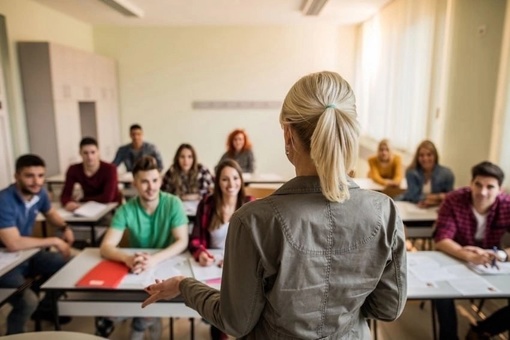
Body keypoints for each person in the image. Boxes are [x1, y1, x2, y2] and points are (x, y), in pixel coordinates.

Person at [142, 71, 407, 339]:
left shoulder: (253, 220)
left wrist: (185, 286)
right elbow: (387, 308)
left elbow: (235, 322)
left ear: (288, 135)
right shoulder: (385, 212)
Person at [98, 156, 189, 339]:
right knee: (113, 304)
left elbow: (182, 241)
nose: (151, 186)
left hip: (164, 264)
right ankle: (139, 323)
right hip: (136, 267)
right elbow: (105, 246)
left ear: (161, 180)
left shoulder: (173, 203)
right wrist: (127, 258)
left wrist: (153, 259)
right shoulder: (126, 209)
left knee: (150, 302)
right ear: (135, 183)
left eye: (155, 180)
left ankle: (139, 326)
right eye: (144, 182)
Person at [433, 161, 510, 340]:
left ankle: (483, 330)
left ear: (500, 189)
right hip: (455, 255)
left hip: (492, 258)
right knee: (441, 293)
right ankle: (449, 337)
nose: (482, 192)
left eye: (490, 187)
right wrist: (467, 254)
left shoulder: (507, 205)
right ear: (471, 183)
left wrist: (501, 254)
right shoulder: (454, 199)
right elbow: (442, 239)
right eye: (478, 185)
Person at [0, 154, 74, 334]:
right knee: (27, 300)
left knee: (67, 263)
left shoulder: (39, 193)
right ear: (16, 176)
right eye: (29, 176)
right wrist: (55, 239)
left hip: (26, 256)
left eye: (40, 176)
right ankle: (13, 336)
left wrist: (64, 227)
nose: (36, 181)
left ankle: (45, 307)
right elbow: (13, 243)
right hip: (6, 266)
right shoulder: (4, 200)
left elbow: (50, 213)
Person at [189, 159, 255, 340]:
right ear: (218, 181)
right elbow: (195, 239)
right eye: (225, 179)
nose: (231, 184)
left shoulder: (251, 205)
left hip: (242, 269)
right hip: (212, 268)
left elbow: (258, 245)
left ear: (241, 180)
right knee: (216, 307)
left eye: (235, 178)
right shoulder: (207, 204)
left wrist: (236, 260)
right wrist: (201, 252)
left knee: (241, 310)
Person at [61, 137, 122, 211]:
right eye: (85, 153)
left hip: (110, 208)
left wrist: (82, 200)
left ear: (98, 152)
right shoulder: (73, 169)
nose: (89, 157)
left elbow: (107, 198)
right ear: (80, 153)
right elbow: (65, 195)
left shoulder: (110, 169)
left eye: (93, 152)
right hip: (86, 208)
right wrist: (68, 203)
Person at [400, 140, 454, 207]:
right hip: (410, 205)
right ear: (417, 157)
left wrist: (432, 203)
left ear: (435, 156)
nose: (425, 158)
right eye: (421, 155)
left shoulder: (447, 174)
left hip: (436, 208)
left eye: (429, 155)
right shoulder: (411, 172)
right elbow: (413, 196)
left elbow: (450, 198)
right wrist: (438, 197)